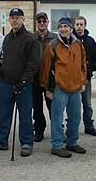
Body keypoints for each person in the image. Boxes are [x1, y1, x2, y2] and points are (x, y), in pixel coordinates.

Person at [0, 8, 40, 157]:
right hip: (6, 83)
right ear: (9, 20)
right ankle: (1, 141)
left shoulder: (31, 39)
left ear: (23, 19)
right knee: (4, 114)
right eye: (12, 17)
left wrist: (23, 81)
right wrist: (2, 68)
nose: (14, 20)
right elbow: (6, 58)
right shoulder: (7, 38)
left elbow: (34, 64)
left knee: (25, 115)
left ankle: (26, 143)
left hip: (24, 85)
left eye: (17, 17)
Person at [39, 17, 87, 158]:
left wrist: (83, 82)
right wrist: (48, 88)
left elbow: (83, 64)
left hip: (76, 87)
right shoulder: (52, 45)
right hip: (59, 87)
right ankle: (57, 145)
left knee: (75, 117)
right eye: (61, 27)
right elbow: (46, 68)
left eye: (66, 26)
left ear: (71, 28)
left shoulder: (78, 45)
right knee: (57, 118)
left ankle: (72, 142)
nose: (63, 29)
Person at [71, 16, 96, 136]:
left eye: (81, 24)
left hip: (86, 79)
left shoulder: (90, 41)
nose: (79, 27)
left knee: (87, 104)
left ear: (85, 25)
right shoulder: (70, 40)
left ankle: (89, 126)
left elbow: (95, 59)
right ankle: (72, 128)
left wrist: (88, 72)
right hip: (72, 79)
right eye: (77, 24)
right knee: (73, 105)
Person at [32, 12, 57, 142]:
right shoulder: (31, 38)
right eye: (39, 21)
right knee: (36, 107)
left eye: (44, 21)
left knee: (53, 106)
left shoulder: (55, 38)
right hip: (35, 78)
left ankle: (57, 130)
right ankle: (39, 130)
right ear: (36, 23)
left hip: (50, 78)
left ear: (47, 22)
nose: (42, 23)